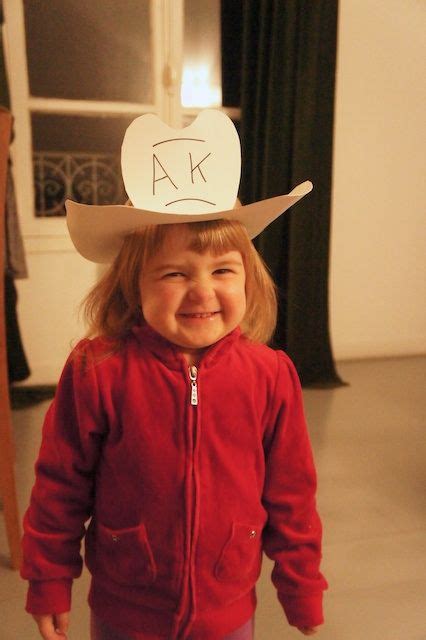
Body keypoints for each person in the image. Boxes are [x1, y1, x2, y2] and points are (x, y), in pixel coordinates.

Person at [21, 111, 327, 640]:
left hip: (228, 610)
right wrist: (48, 578)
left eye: (223, 271)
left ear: (249, 279)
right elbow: (59, 484)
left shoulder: (271, 376)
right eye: (174, 272)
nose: (202, 291)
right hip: (126, 608)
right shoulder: (99, 371)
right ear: (132, 284)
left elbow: (292, 493)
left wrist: (301, 585)